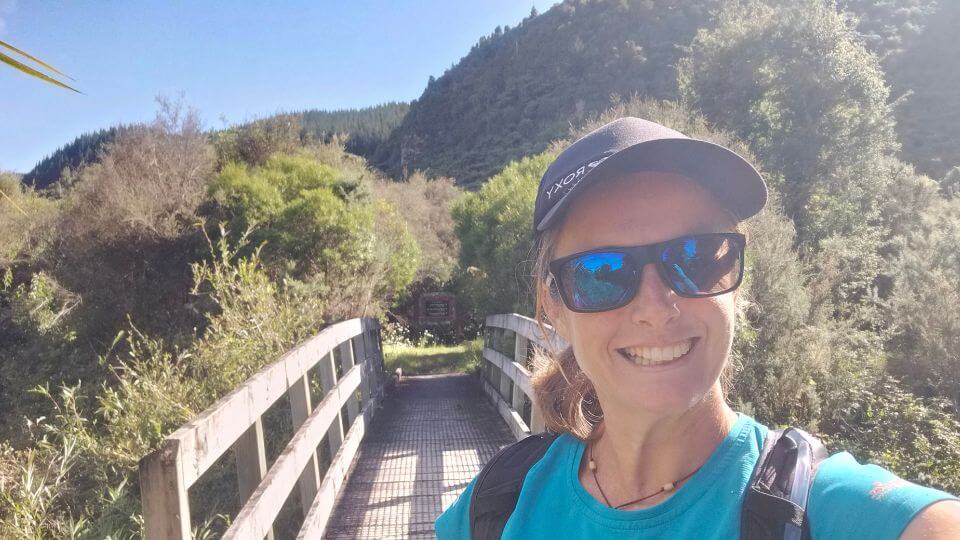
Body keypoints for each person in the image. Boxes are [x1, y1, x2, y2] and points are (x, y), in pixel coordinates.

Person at [434, 117, 960, 538]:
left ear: (737, 284)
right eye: (602, 273)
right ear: (554, 304)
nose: (657, 306)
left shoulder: (819, 510)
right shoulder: (497, 505)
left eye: (699, 257)